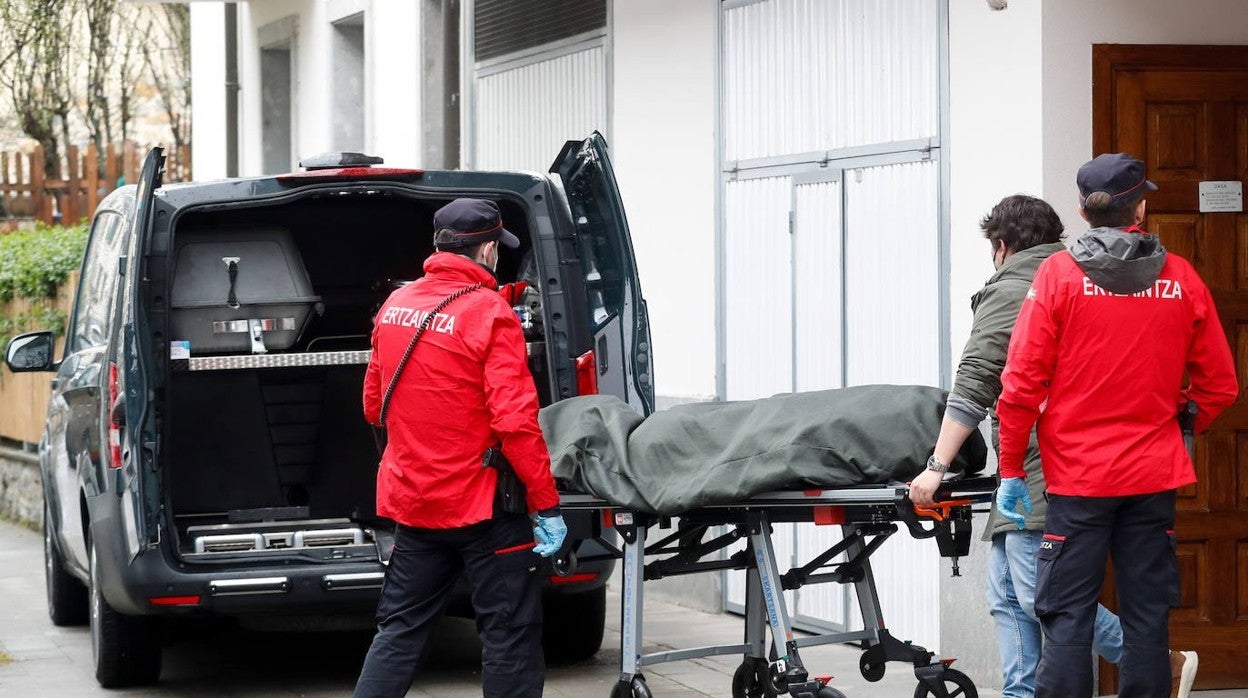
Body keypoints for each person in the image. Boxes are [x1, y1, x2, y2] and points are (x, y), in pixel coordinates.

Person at [995, 154, 1238, 698]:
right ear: (1141, 207)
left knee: (1066, 620)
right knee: (1148, 621)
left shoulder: (1056, 276)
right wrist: (1181, 421)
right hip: (1152, 479)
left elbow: (1019, 387)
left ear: (1082, 210)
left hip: (1077, 482)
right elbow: (1220, 386)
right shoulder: (1180, 276)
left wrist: (1011, 469)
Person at [909, 195, 1139, 697]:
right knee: (1007, 594)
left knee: (1040, 590)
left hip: (1042, 456)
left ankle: (1151, 660)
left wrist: (936, 465)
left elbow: (977, 379)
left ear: (1001, 245)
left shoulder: (1015, 287)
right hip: (1060, 453)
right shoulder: (1081, 274)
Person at [354, 198, 567, 698]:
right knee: (510, 636)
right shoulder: (490, 313)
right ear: (489, 248)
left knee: (399, 633)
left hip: (416, 504)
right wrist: (547, 503)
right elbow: (515, 422)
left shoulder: (396, 305)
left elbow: (372, 405)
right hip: (484, 507)